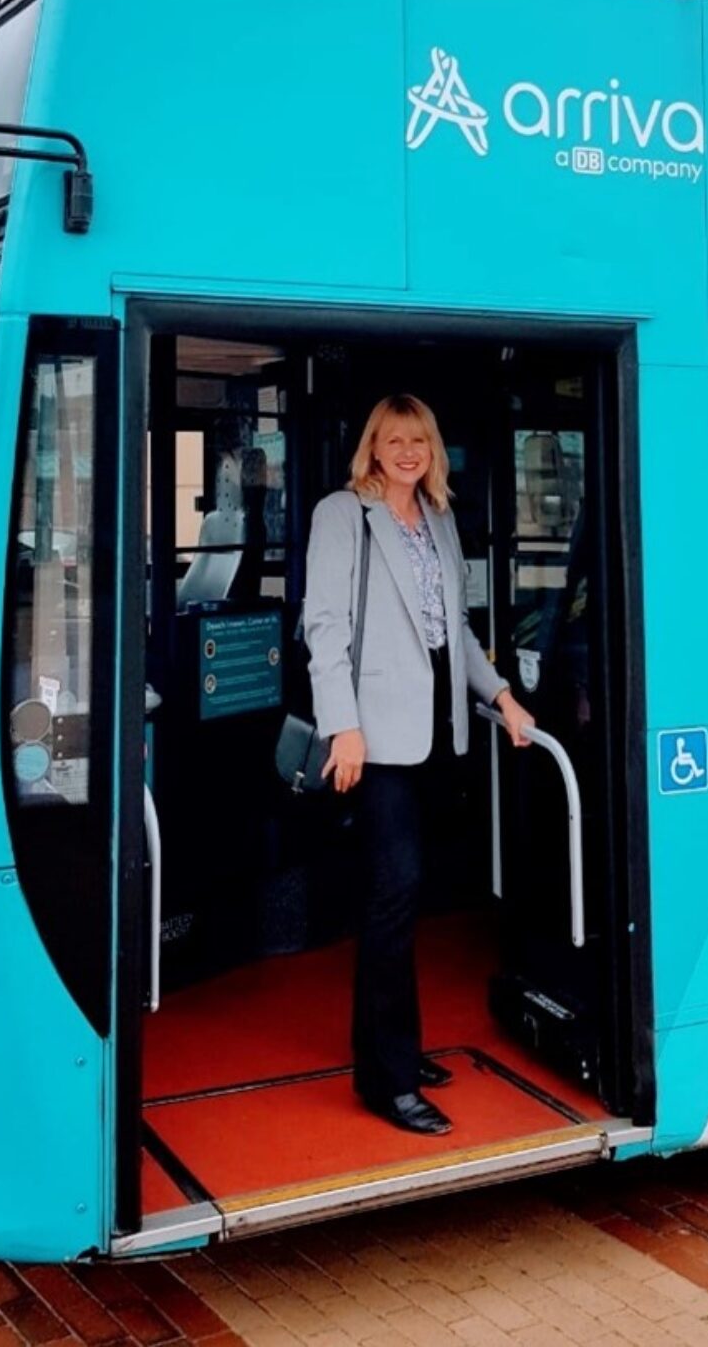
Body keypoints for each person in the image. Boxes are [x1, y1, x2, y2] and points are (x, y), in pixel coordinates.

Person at [303, 393, 535, 1136]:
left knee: (407, 898)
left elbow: (456, 630)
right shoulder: (342, 515)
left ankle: (391, 1049)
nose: (408, 452)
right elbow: (325, 627)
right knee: (392, 897)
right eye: (394, 440)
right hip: (373, 740)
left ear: (432, 451)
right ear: (373, 447)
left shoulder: (437, 519)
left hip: (437, 733)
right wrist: (343, 727)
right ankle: (389, 1081)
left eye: (420, 441)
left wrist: (502, 697)